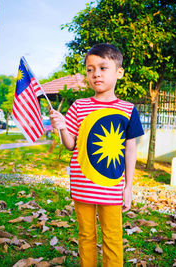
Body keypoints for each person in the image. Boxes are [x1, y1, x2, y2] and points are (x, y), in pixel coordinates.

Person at [50, 43, 144, 267]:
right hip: (82, 185)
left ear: (119, 72)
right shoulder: (78, 107)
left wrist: (128, 187)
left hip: (111, 187)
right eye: (90, 69)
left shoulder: (128, 109)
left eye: (103, 68)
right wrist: (62, 126)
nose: (96, 74)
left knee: (112, 237)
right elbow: (70, 145)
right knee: (86, 236)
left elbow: (130, 150)